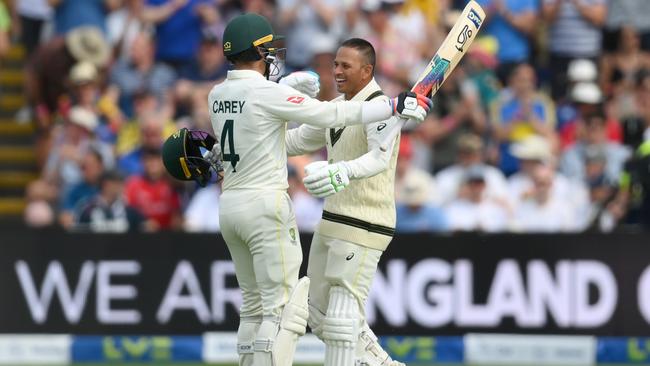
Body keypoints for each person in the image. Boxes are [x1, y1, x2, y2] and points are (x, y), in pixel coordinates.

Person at [161, 14, 431, 366]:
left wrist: (286, 89)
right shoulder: (265, 92)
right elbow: (328, 116)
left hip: (230, 208)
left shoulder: (217, 94)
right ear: (257, 50)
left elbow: (265, 133)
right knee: (283, 311)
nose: (273, 54)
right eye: (268, 49)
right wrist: (393, 105)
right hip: (265, 207)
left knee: (252, 306)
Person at [285, 38, 414, 366]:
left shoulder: (382, 107)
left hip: (365, 220)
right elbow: (298, 140)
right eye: (336, 65)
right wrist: (250, 138)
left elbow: (378, 159)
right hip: (333, 216)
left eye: (346, 66)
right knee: (317, 312)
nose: (337, 71)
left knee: (343, 318)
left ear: (367, 70)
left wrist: (341, 171)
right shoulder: (340, 106)